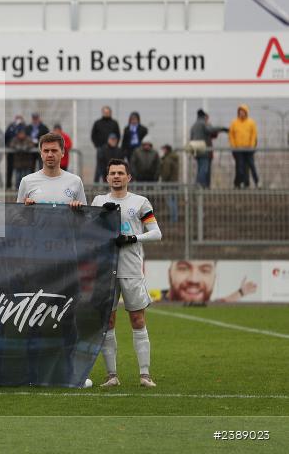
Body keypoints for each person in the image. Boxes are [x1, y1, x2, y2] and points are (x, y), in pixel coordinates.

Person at [92, 158, 162, 389]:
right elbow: (90, 231)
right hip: (105, 270)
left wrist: (133, 238)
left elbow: (156, 233)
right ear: (107, 177)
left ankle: (145, 374)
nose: (116, 176)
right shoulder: (99, 201)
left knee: (137, 319)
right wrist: (102, 216)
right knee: (108, 322)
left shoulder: (140, 202)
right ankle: (111, 375)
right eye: (112, 173)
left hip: (131, 268)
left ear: (128, 177)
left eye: (121, 173)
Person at [17, 133, 86, 208]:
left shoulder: (75, 181)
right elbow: (18, 215)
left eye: (54, 150)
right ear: (41, 153)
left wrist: (78, 209)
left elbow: (85, 216)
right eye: (46, 151)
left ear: (63, 153)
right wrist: (26, 209)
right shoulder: (26, 181)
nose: (50, 155)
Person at [164, 260, 258, 303]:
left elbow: (221, 303)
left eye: (205, 270)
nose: (194, 279)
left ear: (214, 277)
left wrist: (240, 292)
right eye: (183, 268)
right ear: (169, 273)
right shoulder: (156, 302)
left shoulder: (208, 306)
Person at [189, 109, 227, 188]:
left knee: (200, 169)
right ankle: (199, 186)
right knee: (204, 169)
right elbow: (210, 130)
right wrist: (222, 128)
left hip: (197, 151)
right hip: (204, 150)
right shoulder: (203, 124)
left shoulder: (194, 125)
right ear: (203, 116)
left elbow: (191, 139)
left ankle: (201, 186)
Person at [229, 104, 259, 188]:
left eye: (243, 112)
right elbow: (231, 135)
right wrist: (234, 146)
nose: (241, 113)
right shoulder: (234, 123)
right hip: (238, 149)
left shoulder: (251, 122)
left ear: (246, 113)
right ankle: (240, 183)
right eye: (240, 112)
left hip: (249, 149)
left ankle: (257, 182)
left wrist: (252, 146)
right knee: (240, 167)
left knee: (251, 166)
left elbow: (254, 135)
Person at [91, 106, 120, 183]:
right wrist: (97, 145)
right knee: (99, 167)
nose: (106, 113)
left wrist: (115, 145)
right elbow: (93, 135)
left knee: (113, 165)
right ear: (102, 113)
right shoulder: (97, 123)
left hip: (112, 149)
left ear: (110, 113)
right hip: (101, 148)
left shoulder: (114, 123)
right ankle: (96, 184)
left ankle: (112, 182)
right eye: (105, 112)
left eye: (108, 112)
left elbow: (118, 135)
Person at [4, 115, 26, 188]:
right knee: (9, 168)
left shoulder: (23, 126)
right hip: (11, 151)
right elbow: (6, 136)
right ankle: (8, 185)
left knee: (20, 169)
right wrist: (7, 146)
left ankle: (20, 186)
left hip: (20, 153)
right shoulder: (11, 126)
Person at [159, 144, 180, 222]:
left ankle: (173, 218)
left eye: (163, 149)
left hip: (169, 183)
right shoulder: (174, 158)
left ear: (166, 150)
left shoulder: (167, 160)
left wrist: (163, 181)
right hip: (175, 182)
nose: (162, 151)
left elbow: (166, 173)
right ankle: (175, 218)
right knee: (174, 201)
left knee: (170, 201)